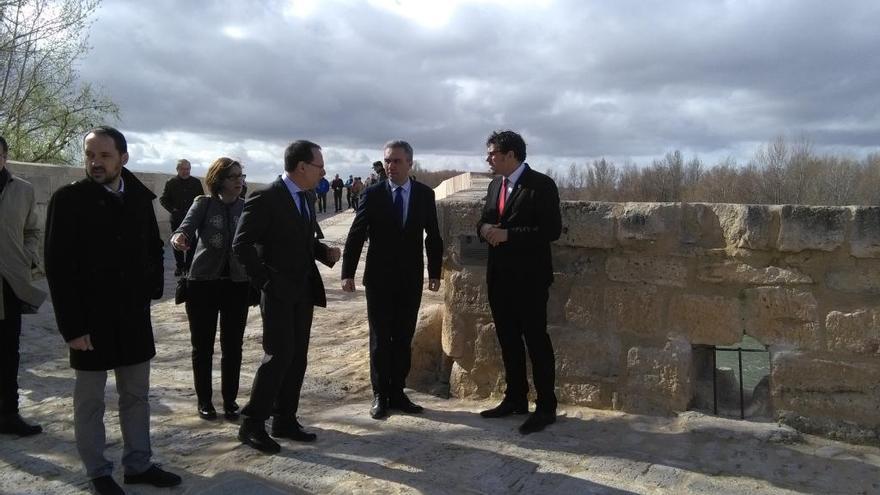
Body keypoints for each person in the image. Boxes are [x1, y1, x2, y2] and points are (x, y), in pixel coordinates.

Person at [44, 126, 181, 494]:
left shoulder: (137, 196)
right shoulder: (69, 200)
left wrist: (150, 288)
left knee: (136, 396)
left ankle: (138, 464)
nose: (95, 162)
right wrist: (72, 327)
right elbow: (58, 267)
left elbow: (153, 246)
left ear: (123, 157)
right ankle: (98, 472)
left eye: (104, 155)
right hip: (89, 320)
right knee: (90, 400)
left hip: (133, 317)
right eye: (90, 155)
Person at [232, 140, 340, 454]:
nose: (323, 172)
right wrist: (265, 282)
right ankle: (252, 424)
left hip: (302, 289)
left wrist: (324, 253)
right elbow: (242, 245)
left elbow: (303, 241)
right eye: (319, 166)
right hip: (278, 292)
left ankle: (284, 419)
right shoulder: (266, 197)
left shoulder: (305, 197)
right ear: (302, 167)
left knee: (297, 357)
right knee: (277, 357)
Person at [342, 140, 442, 420]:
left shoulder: (424, 194)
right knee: (380, 338)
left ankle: (397, 392)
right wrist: (347, 272)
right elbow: (357, 233)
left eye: (397, 161)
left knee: (403, 336)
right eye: (387, 160)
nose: (390, 166)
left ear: (410, 163)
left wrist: (435, 272)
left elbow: (433, 235)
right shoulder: (373, 194)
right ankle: (379, 394)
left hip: (410, 278)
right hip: (378, 278)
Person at [476, 130, 561, 435]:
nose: (488, 158)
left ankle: (547, 406)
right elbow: (484, 219)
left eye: (493, 153)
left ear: (511, 155)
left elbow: (551, 230)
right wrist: (485, 228)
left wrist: (509, 235)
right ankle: (515, 398)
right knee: (508, 340)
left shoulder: (541, 185)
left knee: (536, 341)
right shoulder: (495, 184)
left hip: (530, 279)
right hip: (499, 277)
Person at [171, 158, 249, 422]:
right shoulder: (202, 203)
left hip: (237, 285)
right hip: (203, 284)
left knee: (233, 346)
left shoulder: (245, 208)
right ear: (219, 180)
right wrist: (179, 238)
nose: (239, 181)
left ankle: (230, 401)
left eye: (241, 176)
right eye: (233, 177)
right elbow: (184, 229)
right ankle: (204, 401)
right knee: (202, 346)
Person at [0, 136, 48, 437]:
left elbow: (32, 229)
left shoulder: (23, 190)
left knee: (8, 352)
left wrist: (27, 256)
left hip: (9, 282)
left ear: (5, 156)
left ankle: (8, 413)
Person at [160, 159, 204, 276]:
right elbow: (163, 199)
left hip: (192, 219)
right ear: (178, 170)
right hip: (177, 218)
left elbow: (201, 199)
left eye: (188, 169)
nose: (186, 171)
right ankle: (179, 266)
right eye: (183, 169)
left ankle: (188, 266)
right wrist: (173, 210)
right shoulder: (171, 182)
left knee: (192, 243)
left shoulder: (196, 182)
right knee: (177, 243)